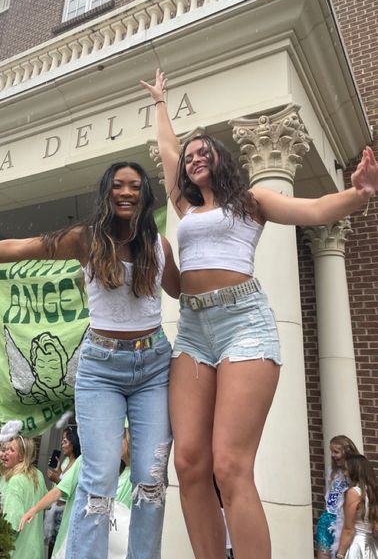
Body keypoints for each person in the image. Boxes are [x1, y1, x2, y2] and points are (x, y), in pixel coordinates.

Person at [141, 69, 378, 559]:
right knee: (188, 462)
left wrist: (358, 194)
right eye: (190, 155)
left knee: (229, 465)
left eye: (203, 151)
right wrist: (161, 105)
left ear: (220, 160)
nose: (193, 157)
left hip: (243, 325)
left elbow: (312, 210)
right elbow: (167, 155)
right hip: (192, 329)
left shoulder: (251, 202)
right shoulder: (186, 207)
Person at [0, 161, 180, 559]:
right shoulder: (86, 239)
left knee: (151, 479)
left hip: (153, 368)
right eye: (118, 185)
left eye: (135, 185)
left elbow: (185, 289)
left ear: (146, 195)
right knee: (98, 482)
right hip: (102, 370)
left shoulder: (159, 246)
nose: (127, 192)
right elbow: (19, 247)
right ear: (107, 192)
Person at [20, 427, 132, 559]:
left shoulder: (135, 477)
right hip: (73, 541)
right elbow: (59, 490)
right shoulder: (86, 461)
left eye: (121, 437)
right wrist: (34, 509)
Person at [0, 435, 47, 559]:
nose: (5, 453)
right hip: (35, 551)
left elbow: (11, 524)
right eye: (4, 449)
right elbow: (48, 503)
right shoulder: (38, 475)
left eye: (11, 450)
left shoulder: (16, 480)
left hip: (17, 551)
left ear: (21, 456)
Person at [316, 435, 360, 559]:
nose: (333, 455)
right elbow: (328, 495)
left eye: (336, 452)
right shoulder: (332, 470)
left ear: (347, 452)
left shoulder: (356, 471)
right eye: (331, 452)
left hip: (345, 521)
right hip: (327, 520)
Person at [45, 425, 81, 558]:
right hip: (55, 511)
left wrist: (57, 479)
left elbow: (72, 489)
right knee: (51, 545)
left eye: (65, 441)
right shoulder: (65, 461)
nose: (62, 444)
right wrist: (58, 473)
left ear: (74, 443)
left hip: (66, 514)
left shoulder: (79, 463)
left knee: (61, 548)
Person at [336, 454, 378, 559]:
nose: (345, 473)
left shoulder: (354, 492)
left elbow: (349, 529)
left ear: (354, 471)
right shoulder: (373, 491)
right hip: (372, 545)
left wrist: (340, 554)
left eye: (346, 469)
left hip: (357, 546)